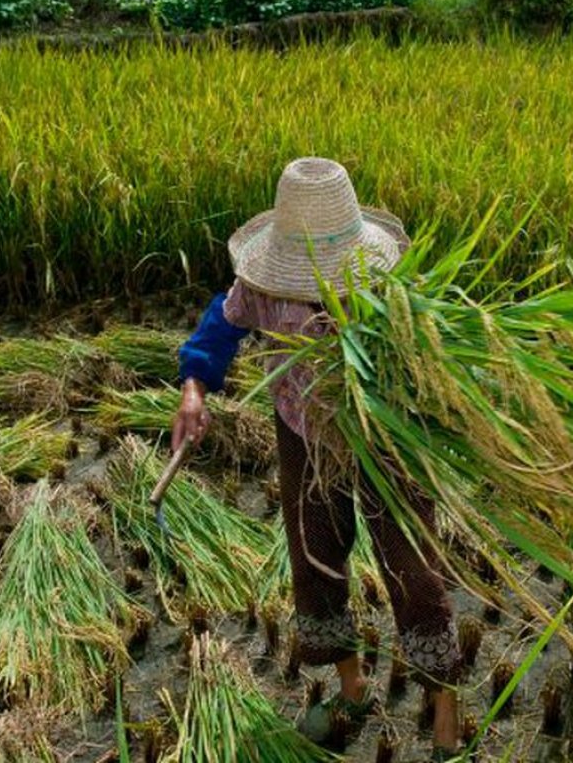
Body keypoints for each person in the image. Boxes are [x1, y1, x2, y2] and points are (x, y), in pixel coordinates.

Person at [172, 157, 463, 760]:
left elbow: (432, 358)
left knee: (411, 566)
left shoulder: (385, 288)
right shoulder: (262, 288)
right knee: (315, 555)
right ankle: (352, 688)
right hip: (303, 433)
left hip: (384, 435)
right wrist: (193, 390)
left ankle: (445, 710)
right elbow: (219, 327)